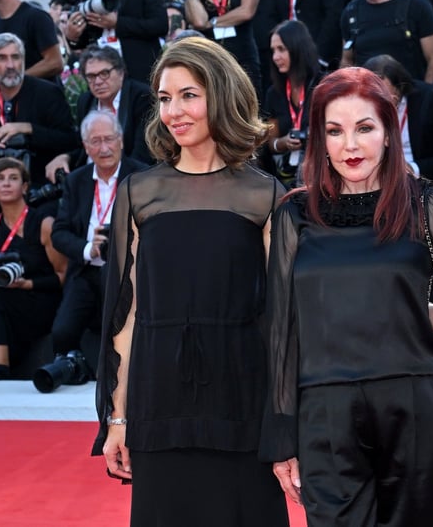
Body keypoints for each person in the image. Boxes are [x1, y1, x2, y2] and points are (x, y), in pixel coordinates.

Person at [93, 38, 288, 526]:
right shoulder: (140, 192)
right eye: (164, 98)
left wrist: (284, 427)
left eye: (188, 95)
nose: (173, 111)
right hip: (158, 403)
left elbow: (284, 324)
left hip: (241, 401)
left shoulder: (264, 196)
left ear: (220, 96)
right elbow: (125, 314)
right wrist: (117, 417)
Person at [261, 67, 433, 526]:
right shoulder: (295, 213)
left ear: (390, 132)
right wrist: (280, 436)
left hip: (415, 410)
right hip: (324, 414)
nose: (350, 146)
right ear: (319, 139)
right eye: (335, 131)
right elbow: (281, 328)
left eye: (364, 128)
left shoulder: (427, 204)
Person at [49, 111, 145, 360]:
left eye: (109, 139)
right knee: (62, 332)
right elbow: (59, 232)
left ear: (121, 140)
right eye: (96, 141)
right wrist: (87, 248)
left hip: (126, 272)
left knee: (119, 330)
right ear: (85, 146)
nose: (104, 148)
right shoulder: (76, 181)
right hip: (86, 269)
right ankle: (68, 373)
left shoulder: (142, 177)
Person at [0, 157, 67, 380]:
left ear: (25, 187)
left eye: (13, 178)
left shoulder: (44, 224)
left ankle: (0, 368)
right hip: (5, 300)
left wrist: (27, 283)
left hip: (41, 300)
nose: (6, 183)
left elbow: (63, 277)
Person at [0, 33, 78, 190]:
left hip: (39, 182)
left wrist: (28, 129)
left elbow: (70, 141)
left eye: (16, 57)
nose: (10, 65)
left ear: (23, 62)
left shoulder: (48, 93)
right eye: (2, 58)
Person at [44, 45, 155, 181]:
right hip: (92, 177)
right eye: (91, 76)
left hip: (131, 179)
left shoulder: (141, 98)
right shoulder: (85, 101)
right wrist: (65, 157)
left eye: (104, 74)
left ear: (121, 73)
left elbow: (143, 154)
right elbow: (83, 147)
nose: (97, 82)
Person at [262, 20, 321, 187]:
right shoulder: (274, 93)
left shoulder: (324, 84)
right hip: (287, 175)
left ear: (297, 48)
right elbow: (269, 141)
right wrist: (283, 143)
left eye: (281, 49)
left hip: (321, 170)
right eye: (273, 51)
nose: (275, 57)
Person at [363, 54, 433, 179]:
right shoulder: (360, 106)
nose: (379, 101)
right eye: (373, 95)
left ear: (400, 87)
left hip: (416, 177)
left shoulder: (427, 99)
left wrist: (413, 168)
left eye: (386, 95)